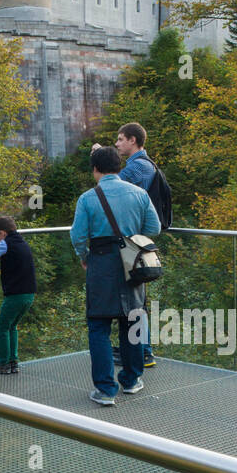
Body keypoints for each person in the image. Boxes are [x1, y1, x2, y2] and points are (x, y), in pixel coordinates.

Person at [70, 145, 161, 406]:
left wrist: (84, 257)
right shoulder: (139, 193)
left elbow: (77, 235)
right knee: (132, 320)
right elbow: (153, 227)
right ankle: (131, 381)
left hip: (100, 262)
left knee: (98, 324)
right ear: (119, 168)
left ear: (95, 169)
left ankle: (105, 390)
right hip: (131, 263)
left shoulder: (88, 198)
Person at [92, 123, 159, 366]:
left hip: (129, 246)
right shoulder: (140, 166)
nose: (118, 144)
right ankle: (142, 349)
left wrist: (100, 157)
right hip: (134, 244)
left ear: (133, 140)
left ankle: (144, 351)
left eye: (120, 140)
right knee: (136, 301)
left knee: (134, 304)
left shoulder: (137, 168)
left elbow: (110, 184)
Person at [0, 216, 37, 375]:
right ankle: (13, 361)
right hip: (29, 294)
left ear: (2, 233)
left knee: (2, 327)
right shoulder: (21, 242)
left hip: (15, 294)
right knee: (12, 326)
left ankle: (2, 363)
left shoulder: (5, 244)